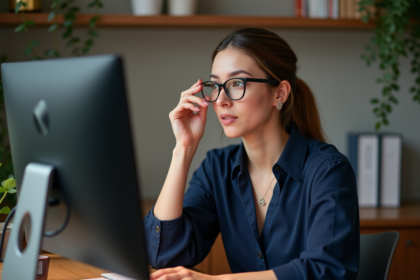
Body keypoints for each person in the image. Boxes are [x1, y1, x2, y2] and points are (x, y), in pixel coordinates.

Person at [144, 28, 359, 280]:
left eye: (237, 83)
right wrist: (184, 148)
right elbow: (164, 254)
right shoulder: (217, 169)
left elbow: (327, 271)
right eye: (216, 85)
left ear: (279, 93)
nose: (222, 100)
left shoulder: (328, 170)